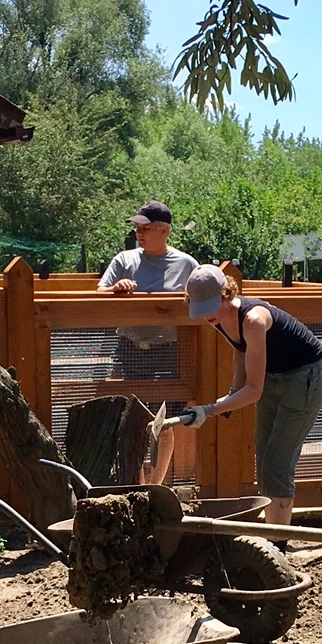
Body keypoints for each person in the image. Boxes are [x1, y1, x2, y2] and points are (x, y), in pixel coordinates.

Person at [182, 265, 322, 533]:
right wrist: (232, 392)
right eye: (201, 308)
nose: (207, 315)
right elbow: (241, 351)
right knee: (264, 461)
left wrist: (210, 410)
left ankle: (278, 546)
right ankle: (273, 535)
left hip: (304, 376)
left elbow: (254, 390)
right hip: (273, 375)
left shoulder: (254, 319)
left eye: (211, 306)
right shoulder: (218, 318)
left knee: (276, 464)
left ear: (226, 294)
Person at [98, 200, 199, 482]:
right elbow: (98, 293)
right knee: (133, 420)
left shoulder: (187, 264)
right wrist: (116, 290)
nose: (139, 233)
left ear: (164, 230)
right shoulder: (124, 260)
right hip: (130, 350)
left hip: (170, 352)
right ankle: (137, 484)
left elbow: (202, 299)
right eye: (137, 228)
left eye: (145, 227)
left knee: (164, 422)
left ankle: (156, 485)